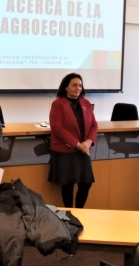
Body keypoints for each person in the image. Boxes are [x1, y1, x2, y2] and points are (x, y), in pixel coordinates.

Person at [48, 73, 97, 208]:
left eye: (80, 85)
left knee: (86, 183)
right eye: (74, 85)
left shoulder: (86, 103)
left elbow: (94, 125)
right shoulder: (58, 104)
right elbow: (57, 128)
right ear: (66, 87)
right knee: (68, 185)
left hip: (83, 150)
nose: (78, 88)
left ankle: (80, 211)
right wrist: (77, 144)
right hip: (66, 150)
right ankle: (69, 213)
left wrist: (88, 142)